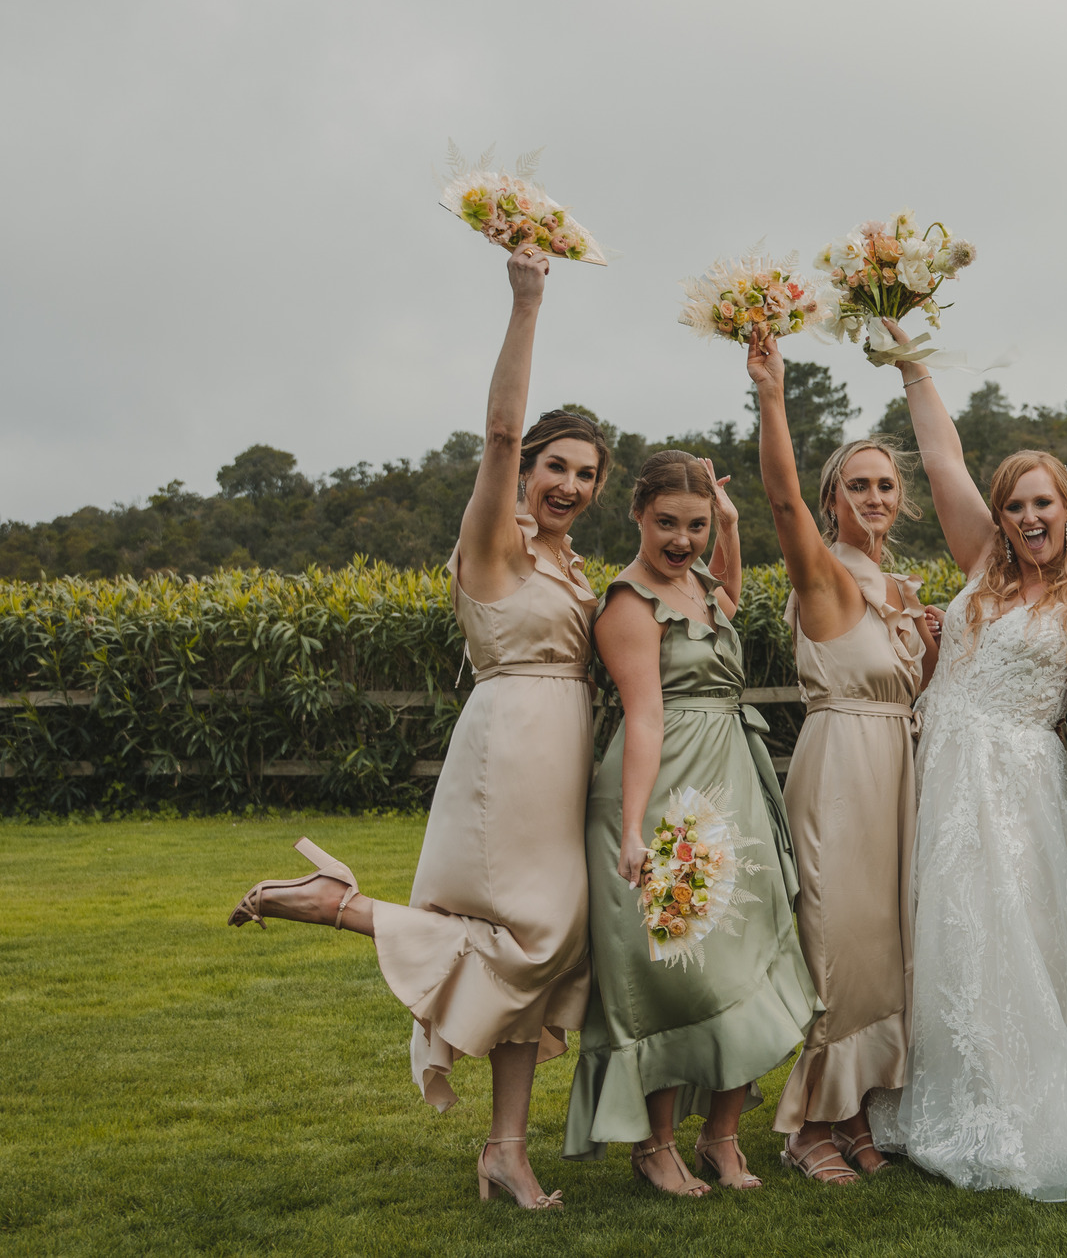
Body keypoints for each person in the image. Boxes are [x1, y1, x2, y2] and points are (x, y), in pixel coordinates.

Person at [228, 244, 606, 1210]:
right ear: (526, 468)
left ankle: (505, 1151)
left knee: (548, 947)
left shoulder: (574, 566)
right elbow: (495, 430)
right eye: (554, 467)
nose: (568, 484)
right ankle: (338, 904)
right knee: (529, 937)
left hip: (565, 753)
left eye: (587, 475)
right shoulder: (494, 542)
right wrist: (526, 302)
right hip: (510, 746)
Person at [866, 322, 1067, 1202]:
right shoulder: (977, 568)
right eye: (1016, 505)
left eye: (1045, 503)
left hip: (1020, 781)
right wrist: (913, 361)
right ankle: (948, 1085)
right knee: (947, 930)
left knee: (1012, 932)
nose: (1030, 518)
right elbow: (941, 456)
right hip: (941, 770)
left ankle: (1022, 1101)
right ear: (1000, 516)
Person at [562, 451, 819, 1197]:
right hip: (668, 793)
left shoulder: (700, 583)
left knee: (741, 960)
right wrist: (634, 828)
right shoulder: (628, 605)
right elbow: (644, 717)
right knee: (675, 967)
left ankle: (723, 1136)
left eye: (697, 524)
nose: (682, 538)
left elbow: (729, 600)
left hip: (732, 787)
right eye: (667, 523)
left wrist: (732, 530)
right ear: (638, 514)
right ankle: (655, 1143)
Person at [746, 332, 940, 1184]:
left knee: (887, 946)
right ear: (831, 499)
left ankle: (859, 1113)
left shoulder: (906, 592)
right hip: (840, 765)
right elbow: (779, 500)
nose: (873, 495)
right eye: (856, 484)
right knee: (839, 942)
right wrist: (772, 398)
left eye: (885, 485)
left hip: (900, 765)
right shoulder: (823, 572)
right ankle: (809, 1124)